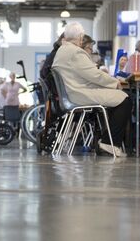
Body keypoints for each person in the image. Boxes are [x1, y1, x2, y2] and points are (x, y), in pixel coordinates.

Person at [51, 22, 132, 157]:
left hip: (73, 93)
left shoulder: (62, 50)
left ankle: (107, 141)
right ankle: (109, 143)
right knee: (125, 99)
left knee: (117, 99)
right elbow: (94, 75)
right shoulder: (75, 51)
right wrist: (115, 82)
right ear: (81, 37)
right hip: (79, 94)